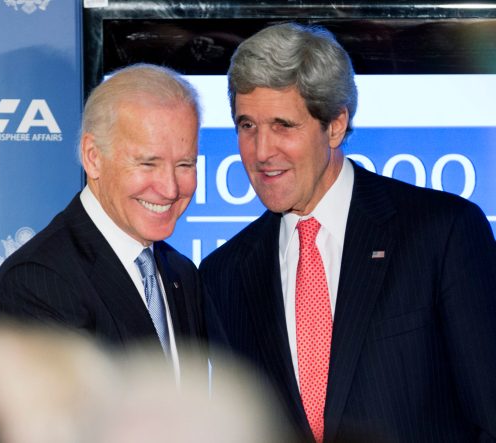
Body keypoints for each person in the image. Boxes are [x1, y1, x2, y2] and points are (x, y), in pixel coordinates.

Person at [199, 22, 496, 443]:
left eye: (283, 125)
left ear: (335, 125)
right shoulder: (223, 275)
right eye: (247, 126)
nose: (261, 151)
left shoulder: (441, 233)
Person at [0, 63, 210, 377]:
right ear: (93, 157)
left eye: (185, 164)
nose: (170, 188)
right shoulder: (37, 282)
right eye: (148, 163)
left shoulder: (182, 275)